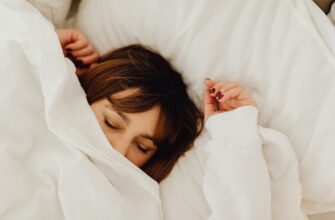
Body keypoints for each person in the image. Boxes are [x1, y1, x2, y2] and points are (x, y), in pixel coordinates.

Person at [56, 29, 256, 183]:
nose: (119, 152)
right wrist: (47, 50)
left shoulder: (138, 202)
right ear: (85, 93)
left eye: (142, 148)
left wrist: (233, 131)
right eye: (111, 123)